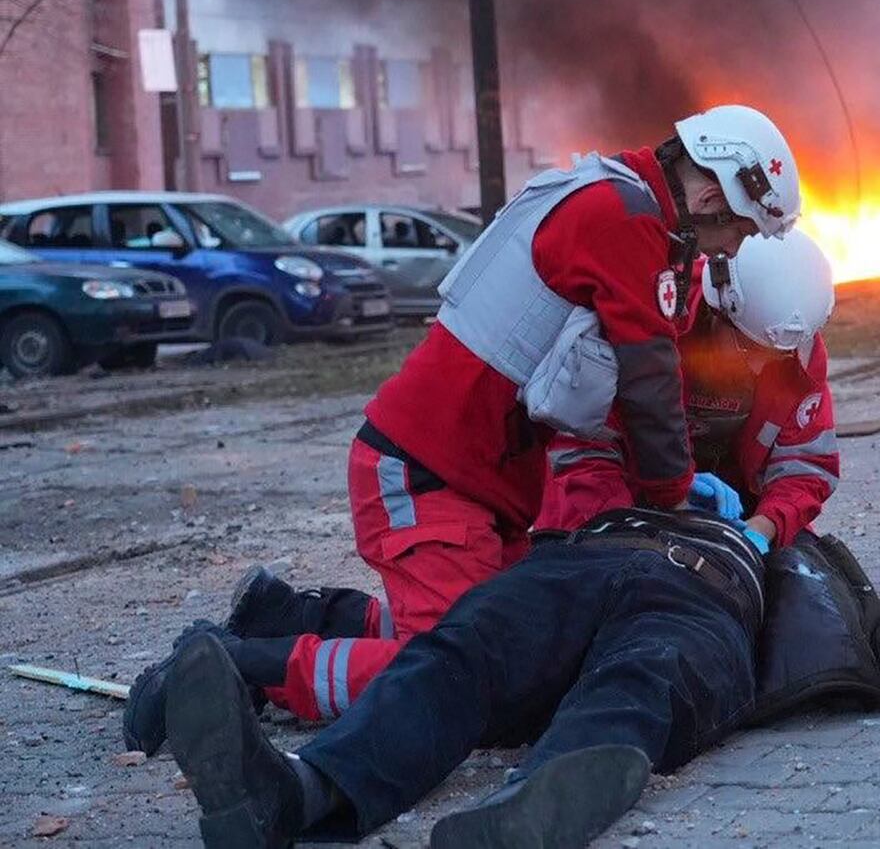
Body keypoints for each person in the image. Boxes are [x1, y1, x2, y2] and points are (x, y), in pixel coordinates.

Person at [122, 106, 802, 756]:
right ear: (715, 195)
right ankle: (232, 669)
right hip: (429, 473)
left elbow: (619, 390)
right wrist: (674, 496)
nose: (732, 249)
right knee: (458, 671)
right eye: (741, 232)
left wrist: (661, 487)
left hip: (473, 482)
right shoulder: (624, 220)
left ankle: (288, 617)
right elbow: (648, 379)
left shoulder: (620, 205)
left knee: (521, 642)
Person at [161, 505, 880, 848]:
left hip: (703, 605)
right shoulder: (620, 456)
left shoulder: (789, 529)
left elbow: (861, 607)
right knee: (458, 652)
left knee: (642, 678)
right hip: (576, 568)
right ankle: (295, 795)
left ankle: (533, 807)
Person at [538, 229, 840, 551]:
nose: (759, 367)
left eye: (775, 356)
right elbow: (581, 454)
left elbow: (805, 467)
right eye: (748, 348)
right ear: (717, 311)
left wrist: (763, 528)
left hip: (739, 518)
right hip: (619, 505)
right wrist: (655, 508)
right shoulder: (643, 326)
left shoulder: (791, 348)